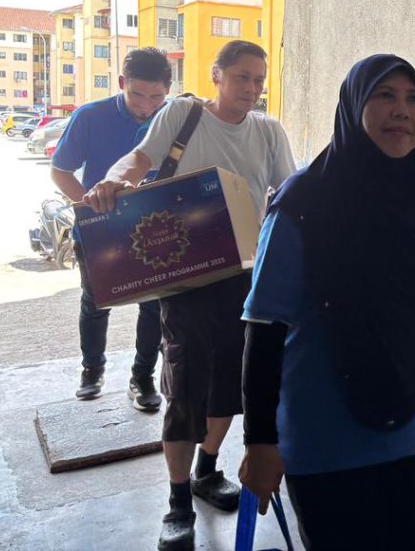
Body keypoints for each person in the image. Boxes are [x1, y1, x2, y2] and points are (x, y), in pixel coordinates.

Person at [238, 54, 415, 551]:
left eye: (414, 99)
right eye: (385, 95)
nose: (403, 110)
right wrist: (260, 441)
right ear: (354, 106)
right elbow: (264, 328)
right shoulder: (303, 203)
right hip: (324, 444)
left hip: (411, 437)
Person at [82, 40, 296, 551]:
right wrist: (113, 181)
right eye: (242, 77)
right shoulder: (183, 114)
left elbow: (290, 193)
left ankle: (206, 470)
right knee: (184, 388)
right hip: (185, 278)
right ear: (217, 75)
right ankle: (177, 502)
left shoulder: (269, 131)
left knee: (230, 384)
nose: (252, 88)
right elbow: (139, 158)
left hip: (246, 279)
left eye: (259, 80)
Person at [51, 47, 173, 409]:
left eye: (156, 97)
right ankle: (92, 371)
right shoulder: (90, 116)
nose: (146, 106)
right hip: (98, 232)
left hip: (154, 231)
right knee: (95, 303)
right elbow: (60, 171)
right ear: (121, 83)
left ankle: (142, 378)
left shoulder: (173, 119)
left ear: (168, 91)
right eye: (137, 94)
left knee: (153, 307)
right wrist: (91, 209)